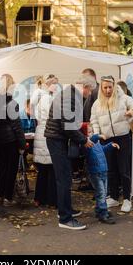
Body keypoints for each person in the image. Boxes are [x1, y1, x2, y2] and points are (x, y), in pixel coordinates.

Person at [44, 74, 95, 230]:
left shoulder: (70, 94)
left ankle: (65, 211)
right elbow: (68, 125)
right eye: (90, 90)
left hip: (57, 139)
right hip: (57, 140)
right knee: (64, 179)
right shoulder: (71, 97)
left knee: (64, 178)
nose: (90, 94)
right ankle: (65, 218)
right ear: (85, 87)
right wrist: (84, 140)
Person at [90, 75, 133, 213]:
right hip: (106, 140)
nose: (108, 90)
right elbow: (94, 120)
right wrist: (97, 134)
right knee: (111, 170)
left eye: (110, 87)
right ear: (101, 88)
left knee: (123, 170)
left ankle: (126, 199)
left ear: (114, 86)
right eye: (105, 87)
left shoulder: (124, 98)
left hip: (123, 138)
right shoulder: (97, 103)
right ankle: (113, 197)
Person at [0, 74, 26, 206]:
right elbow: (16, 126)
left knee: (2, 168)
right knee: (11, 169)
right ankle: (8, 197)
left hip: (0, 139)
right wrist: (22, 143)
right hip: (11, 140)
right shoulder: (12, 103)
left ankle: (0, 195)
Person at [33, 74, 59, 207]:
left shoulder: (41, 98)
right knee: (51, 169)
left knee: (43, 169)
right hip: (48, 134)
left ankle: (39, 197)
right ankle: (51, 199)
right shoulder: (49, 99)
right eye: (55, 84)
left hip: (41, 133)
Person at [86, 133, 119, 224]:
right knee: (101, 193)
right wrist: (98, 136)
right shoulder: (87, 143)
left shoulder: (97, 143)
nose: (91, 131)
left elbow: (102, 149)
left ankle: (99, 211)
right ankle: (103, 214)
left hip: (104, 171)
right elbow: (93, 139)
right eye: (88, 130)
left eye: (91, 130)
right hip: (95, 172)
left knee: (102, 193)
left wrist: (110, 145)